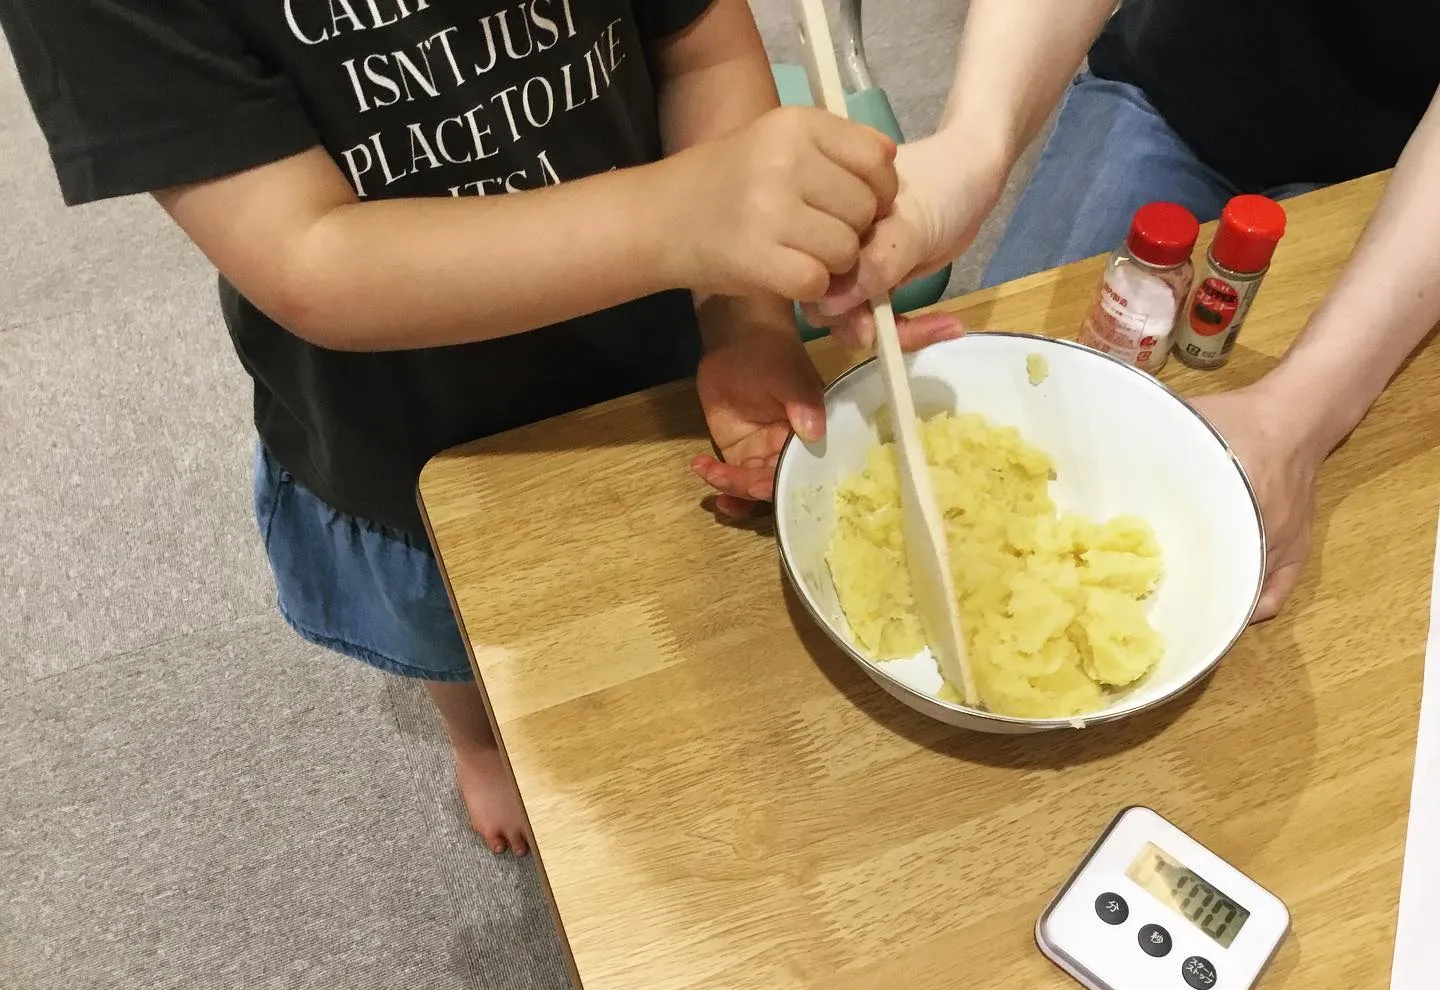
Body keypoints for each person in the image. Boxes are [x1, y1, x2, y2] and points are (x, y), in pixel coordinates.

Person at [0, 0, 898, 855]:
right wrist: (677, 216)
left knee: (663, 606)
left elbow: (701, 49)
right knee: (444, 629)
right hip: (403, 426)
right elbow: (306, 256)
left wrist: (744, 322)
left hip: (644, 359)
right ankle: (477, 740)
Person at [807, 0, 1440, 623]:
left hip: (1398, 178)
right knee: (1017, 404)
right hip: (1177, 77)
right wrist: (973, 147)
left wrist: (1300, 420)